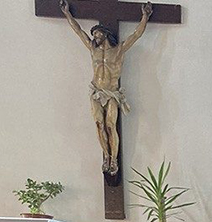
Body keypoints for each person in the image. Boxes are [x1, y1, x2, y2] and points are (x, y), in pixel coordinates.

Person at [59, 0, 152, 175]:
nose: (94, 36)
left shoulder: (118, 50)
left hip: (111, 93)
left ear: (105, 34)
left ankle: (114, 159)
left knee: (110, 126)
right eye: (93, 34)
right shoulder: (92, 50)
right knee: (98, 124)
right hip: (95, 92)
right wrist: (67, 14)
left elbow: (136, 35)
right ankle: (106, 156)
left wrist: (145, 16)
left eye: (97, 33)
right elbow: (78, 31)